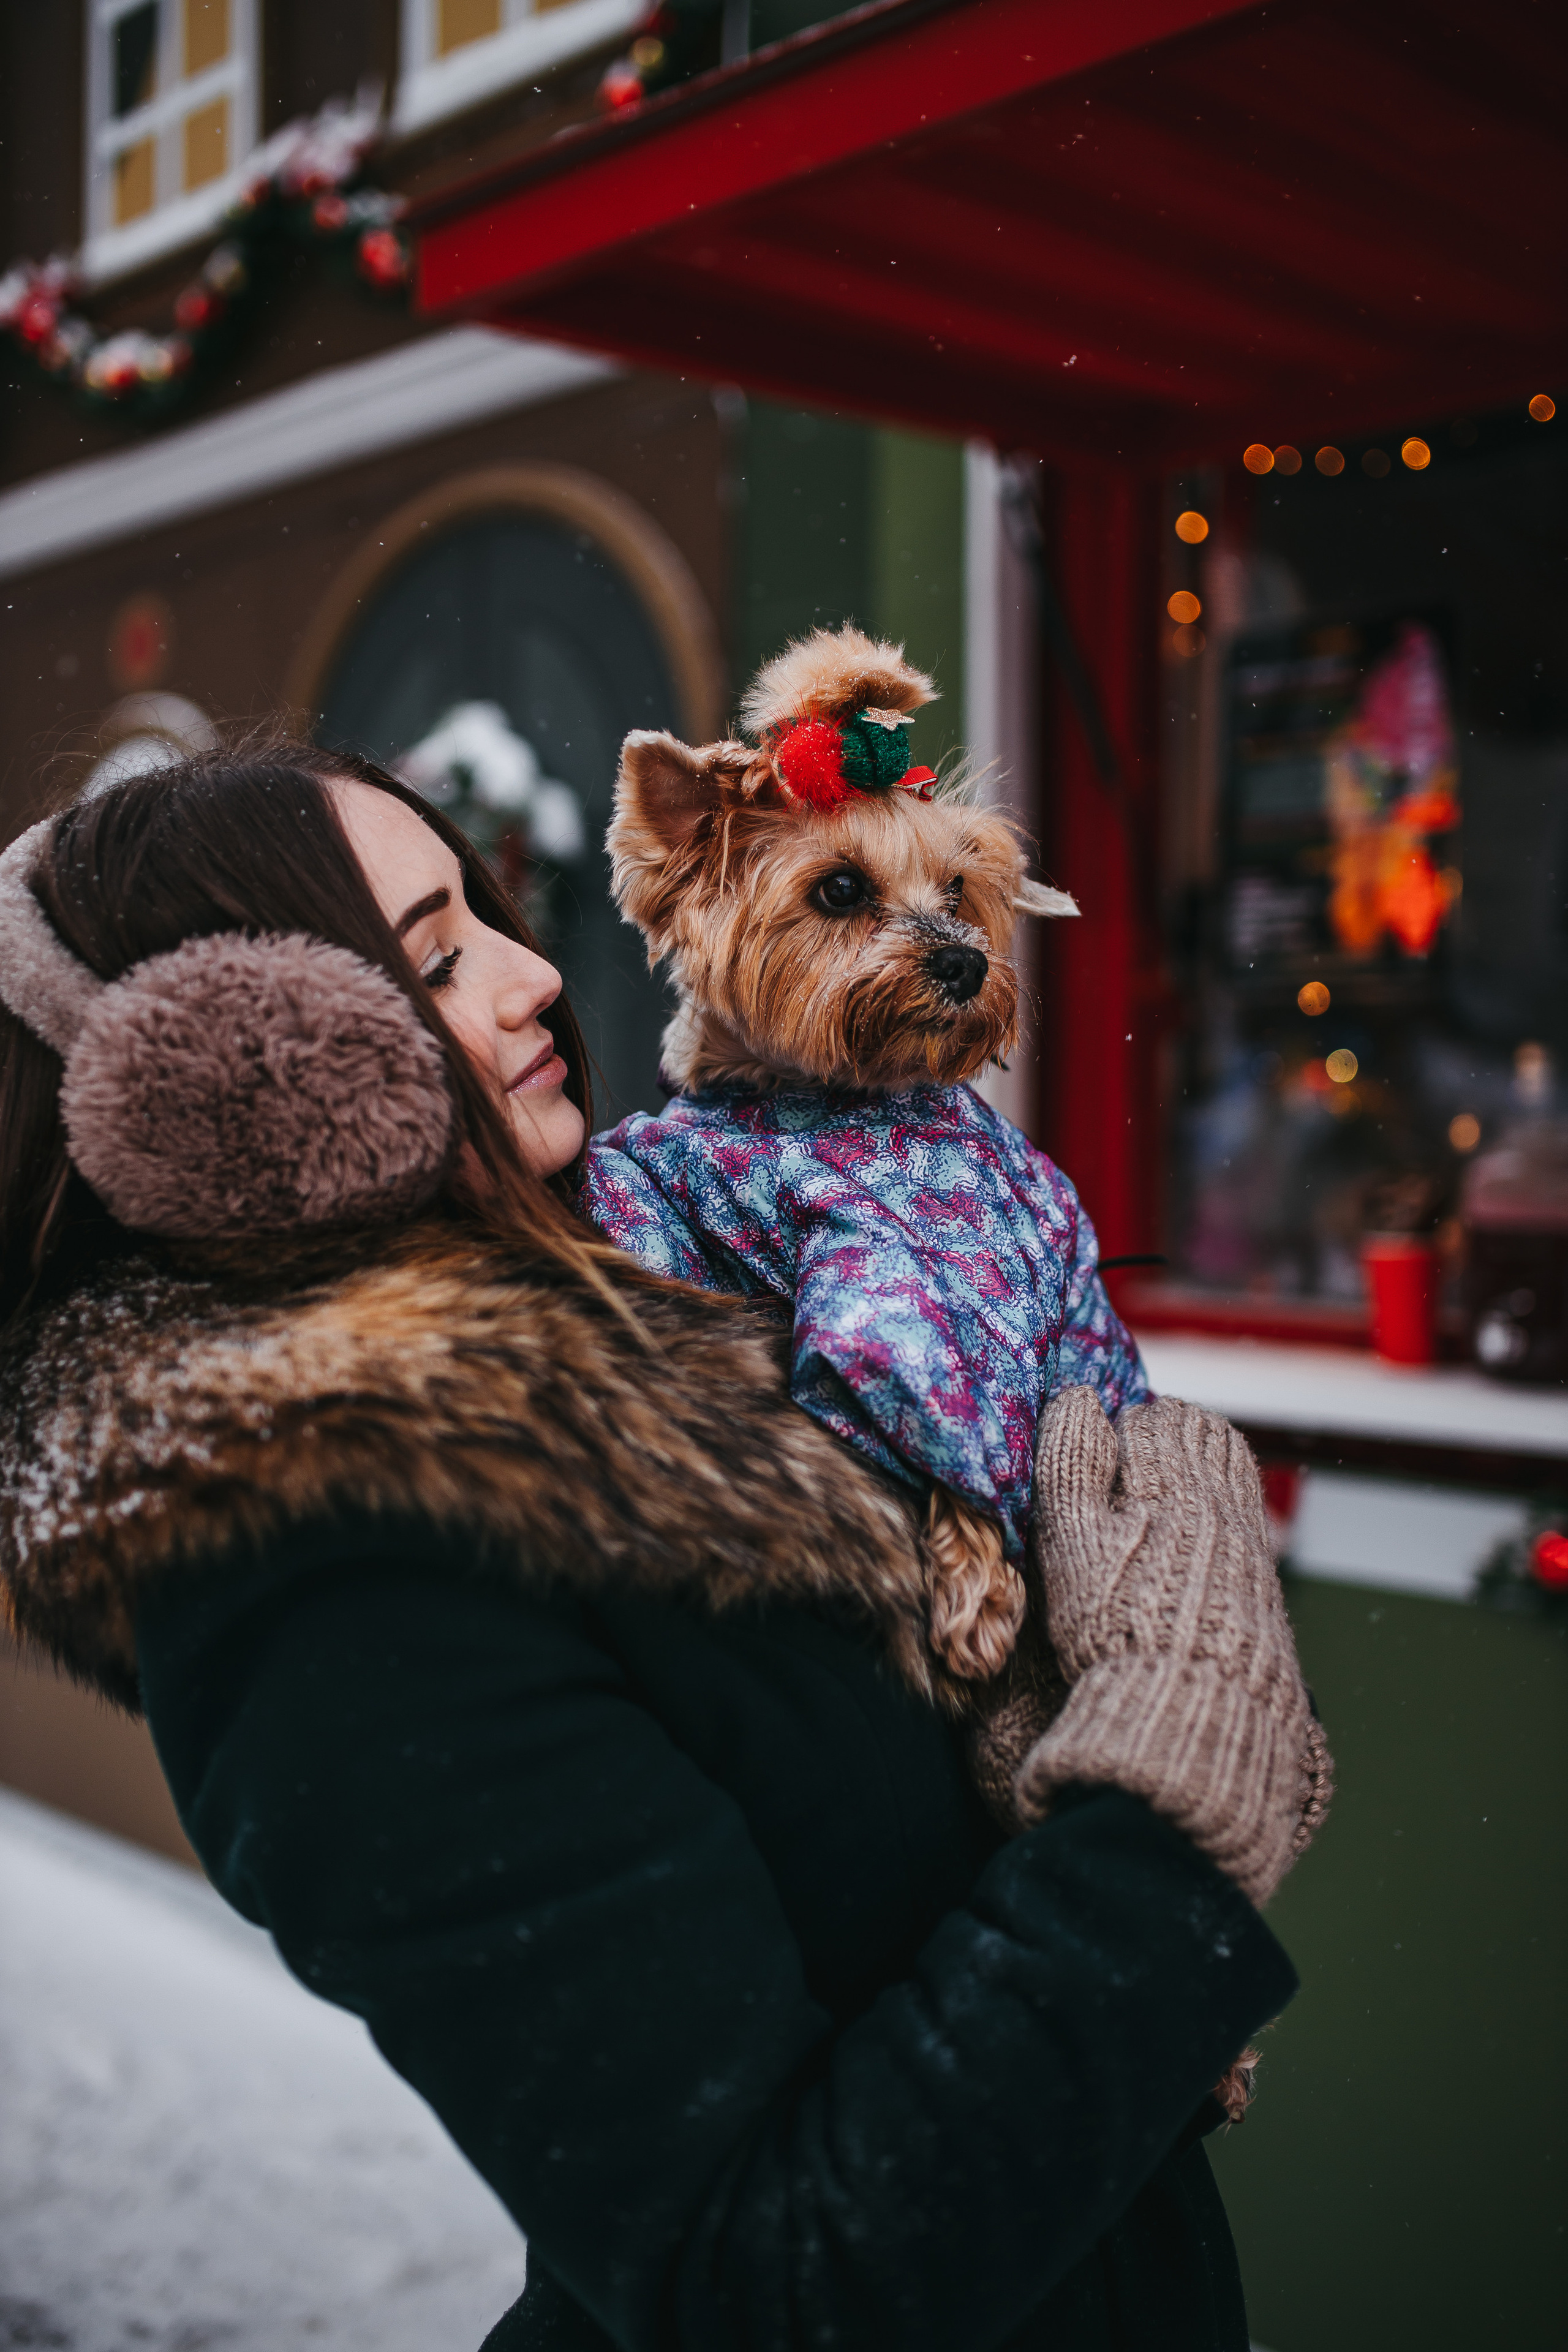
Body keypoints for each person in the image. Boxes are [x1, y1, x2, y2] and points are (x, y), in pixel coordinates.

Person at [0, 742, 1322, 2351]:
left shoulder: (667, 1339)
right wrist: (1171, 1807)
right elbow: (767, 2287)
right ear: (239, 1079)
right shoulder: (332, 1590)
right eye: (433, 955)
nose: (537, 970)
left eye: (487, 914)